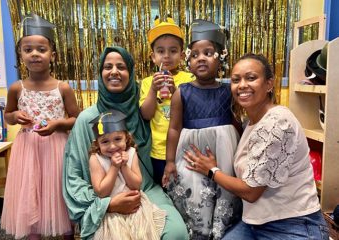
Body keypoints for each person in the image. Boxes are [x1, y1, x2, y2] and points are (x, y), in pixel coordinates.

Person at [184, 53, 329, 240]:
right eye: (236, 80)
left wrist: (212, 170)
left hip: (294, 225)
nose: (242, 85)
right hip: (254, 224)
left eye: (251, 78)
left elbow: (251, 192)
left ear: (269, 84)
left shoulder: (277, 122)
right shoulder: (250, 122)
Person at [62, 46, 188, 240]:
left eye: (121, 66)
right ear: (100, 73)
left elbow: (173, 125)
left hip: (145, 190)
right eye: (107, 67)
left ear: (130, 73)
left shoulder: (145, 111)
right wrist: (108, 205)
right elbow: (73, 178)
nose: (114, 71)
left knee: (176, 234)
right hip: (103, 196)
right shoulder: (87, 119)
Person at [1, 13, 79, 240]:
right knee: (30, 192)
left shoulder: (63, 88)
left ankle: (66, 233)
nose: (35, 54)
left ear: (52, 55)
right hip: (27, 149)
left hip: (57, 148)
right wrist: (15, 116)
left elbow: (76, 118)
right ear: (21, 55)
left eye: (41, 49)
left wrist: (58, 124)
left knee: (58, 192)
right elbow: (7, 115)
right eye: (28, 50)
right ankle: (34, 233)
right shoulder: (16, 88)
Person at [162, 19, 242, 239]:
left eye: (208, 53)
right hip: (191, 154)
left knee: (223, 196)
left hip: (223, 155)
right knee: (196, 197)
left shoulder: (229, 91)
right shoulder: (182, 92)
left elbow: (238, 122)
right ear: (188, 60)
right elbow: (174, 129)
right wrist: (170, 161)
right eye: (195, 54)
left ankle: (219, 233)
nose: (201, 58)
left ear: (221, 57)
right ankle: (200, 232)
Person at [89, 109, 166, 239]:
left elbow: (136, 185)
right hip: (112, 208)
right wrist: (114, 167)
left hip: (135, 206)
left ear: (127, 137)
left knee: (142, 234)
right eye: (105, 141)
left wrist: (124, 166)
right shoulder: (96, 159)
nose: (112, 146)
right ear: (97, 143)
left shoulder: (131, 153)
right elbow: (102, 192)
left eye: (118, 139)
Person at [139, 16, 194, 186]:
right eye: (161, 51)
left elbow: (192, 112)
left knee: (185, 189)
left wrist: (176, 93)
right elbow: (146, 115)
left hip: (184, 148)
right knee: (163, 189)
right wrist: (153, 91)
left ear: (182, 55)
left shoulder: (189, 78)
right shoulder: (148, 82)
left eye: (173, 50)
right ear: (153, 56)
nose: (166, 56)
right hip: (158, 151)